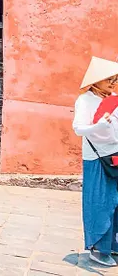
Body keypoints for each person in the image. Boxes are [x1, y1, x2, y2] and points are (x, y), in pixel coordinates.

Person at [73, 56, 118, 267]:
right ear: (96, 80)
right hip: (97, 158)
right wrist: (98, 126)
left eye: (115, 78)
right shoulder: (85, 100)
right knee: (100, 204)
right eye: (109, 78)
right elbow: (79, 129)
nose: (112, 82)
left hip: (116, 155)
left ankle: (114, 244)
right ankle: (98, 249)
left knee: (115, 204)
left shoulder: (113, 98)